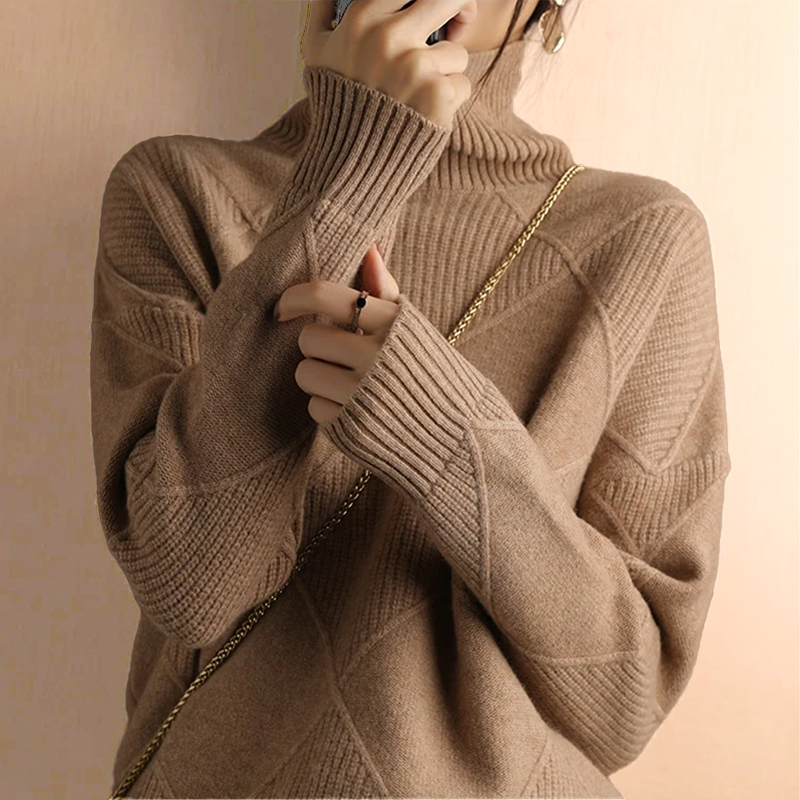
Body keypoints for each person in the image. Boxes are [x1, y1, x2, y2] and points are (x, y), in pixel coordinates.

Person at [91, 1, 731, 798]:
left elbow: (621, 704)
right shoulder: (178, 192)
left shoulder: (643, 241)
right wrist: (352, 165)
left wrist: (437, 426)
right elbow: (189, 584)